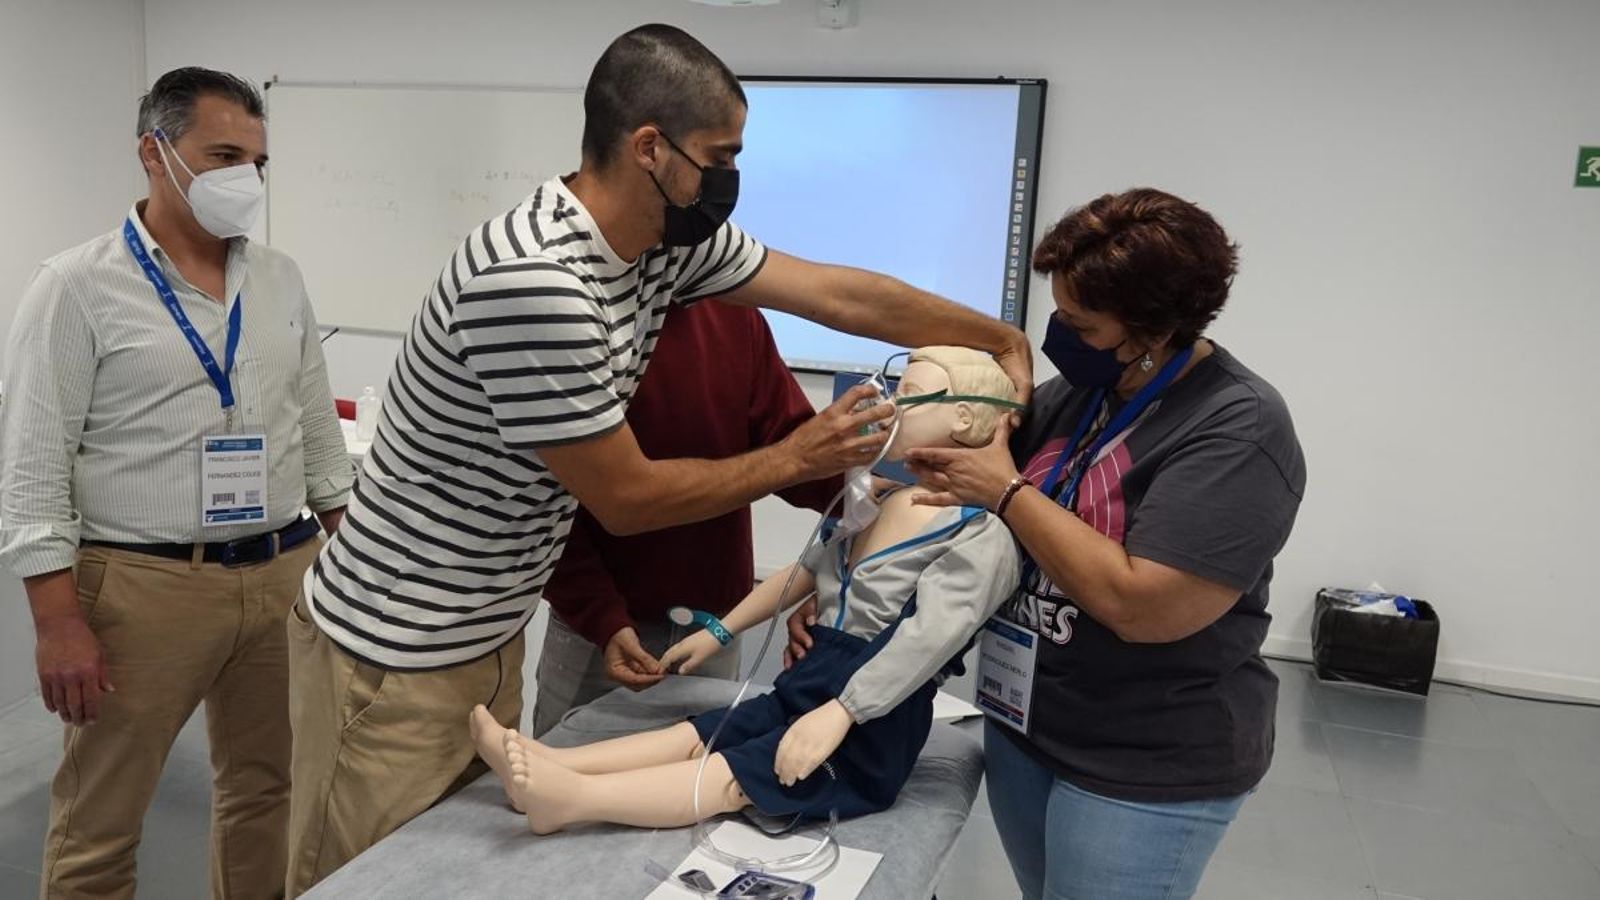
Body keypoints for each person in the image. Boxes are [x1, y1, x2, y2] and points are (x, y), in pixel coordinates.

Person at [283, 23, 1031, 892]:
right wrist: (797, 457)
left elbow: (837, 294)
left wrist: (997, 333)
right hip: (394, 644)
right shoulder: (536, 280)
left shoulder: (663, 249)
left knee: (456, 868)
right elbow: (627, 498)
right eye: (722, 156)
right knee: (366, 876)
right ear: (650, 148)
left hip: (484, 630)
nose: (730, 180)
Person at [811, 188, 1302, 900]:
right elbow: (957, 501)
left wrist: (1008, 492)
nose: (1058, 333)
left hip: (1143, 760)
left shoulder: (1238, 428)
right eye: (1059, 310)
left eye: (1080, 321)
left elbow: (1145, 606)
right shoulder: (1078, 395)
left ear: (1151, 331)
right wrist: (841, 588)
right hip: (1027, 722)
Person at [0, 67, 353, 900]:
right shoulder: (74, 288)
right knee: (102, 817)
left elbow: (316, 431)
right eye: (224, 154)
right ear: (155, 154)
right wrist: (56, 623)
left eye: (258, 161)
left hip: (281, 572)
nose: (247, 179)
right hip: (143, 587)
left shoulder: (279, 277)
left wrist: (353, 554)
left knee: (265, 790)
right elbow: (33, 467)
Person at [468, 347, 1022, 833]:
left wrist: (844, 712)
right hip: (811, 680)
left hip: (877, 708)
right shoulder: (878, 500)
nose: (888, 406)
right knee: (704, 731)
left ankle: (571, 801)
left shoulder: (981, 533)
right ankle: (553, 761)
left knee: (737, 775)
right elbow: (804, 571)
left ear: (966, 417)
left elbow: (927, 643)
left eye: (911, 395)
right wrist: (718, 630)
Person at [531, 297, 840, 737]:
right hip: (600, 634)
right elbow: (550, 501)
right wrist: (601, 617)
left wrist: (868, 482)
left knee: (693, 772)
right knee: (564, 767)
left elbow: (800, 457)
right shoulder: (578, 323)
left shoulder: (734, 314)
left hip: (711, 627)